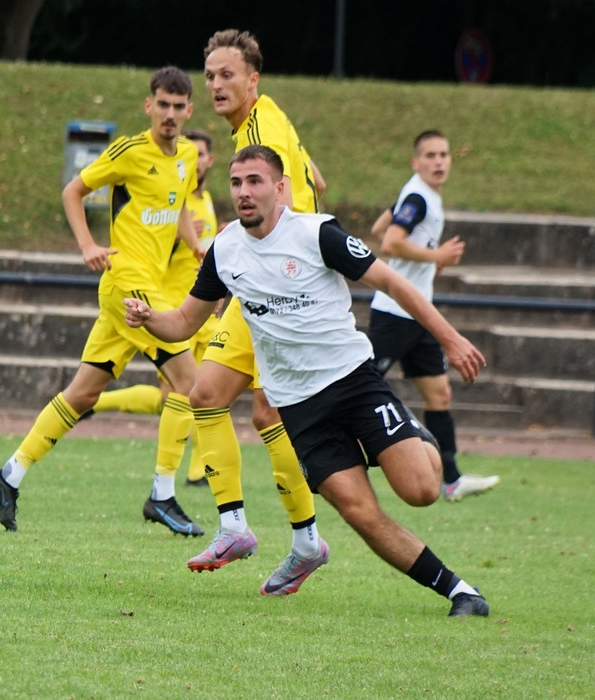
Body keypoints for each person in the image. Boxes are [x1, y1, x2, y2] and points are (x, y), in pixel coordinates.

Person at [125, 145, 490, 617]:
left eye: (255, 181)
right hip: (301, 409)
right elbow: (181, 323)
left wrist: (451, 340)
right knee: (359, 512)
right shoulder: (225, 249)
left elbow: (393, 283)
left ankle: (415, 436)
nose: (243, 192)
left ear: (280, 188)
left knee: (421, 491)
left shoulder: (318, 234)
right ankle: (460, 592)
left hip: (354, 383)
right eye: (236, 183)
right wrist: (149, 318)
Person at [0, 66, 206, 534]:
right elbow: (74, 190)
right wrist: (87, 245)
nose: (169, 114)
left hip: (144, 288)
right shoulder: (129, 151)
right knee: (189, 382)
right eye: (162, 105)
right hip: (127, 284)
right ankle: (162, 495)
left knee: (83, 394)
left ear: (189, 110)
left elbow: (181, 204)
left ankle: (9, 475)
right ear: (149, 106)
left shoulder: (187, 155)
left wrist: (195, 246)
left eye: (177, 106)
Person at [183, 28, 328, 592]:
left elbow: (286, 204)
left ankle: (287, 537)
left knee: (254, 408)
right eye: (211, 75)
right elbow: (315, 180)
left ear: (253, 79)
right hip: (271, 282)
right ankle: (256, 532)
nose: (216, 84)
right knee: (216, 397)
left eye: (228, 75)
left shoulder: (262, 130)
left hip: (285, 286)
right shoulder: (266, 123)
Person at [81, 127, 221, 487]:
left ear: (210, 161)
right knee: (183, 392)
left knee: (198, 392)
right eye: (194, 153)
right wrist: (178, 238)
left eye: (202, 155)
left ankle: (195, 472)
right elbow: (154, 247)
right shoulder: (166, 200)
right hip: (169, 308)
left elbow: (198, 257)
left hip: (201, 311)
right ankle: (175, 482)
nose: (196, 160)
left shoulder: (203, 202)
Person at [368, 130, 500, 502]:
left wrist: (426, 257)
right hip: (395, 312)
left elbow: (380, 228)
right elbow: (390, 241)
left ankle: (452, 480)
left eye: (443, 154)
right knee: (362, 383)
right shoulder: (418, 198)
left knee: (440, 393)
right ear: (416, 162)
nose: (439, 161)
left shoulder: (420, 195)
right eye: (430, 155)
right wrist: (435, 256)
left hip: (419, 313)